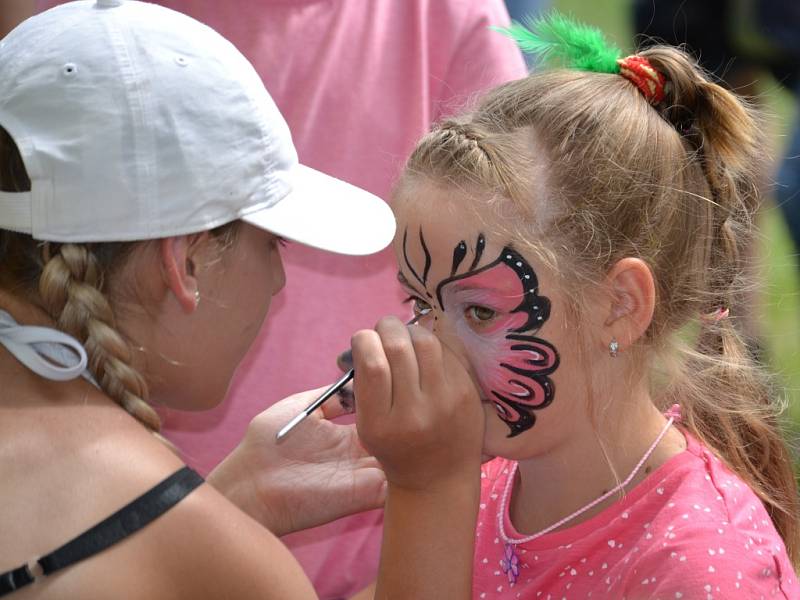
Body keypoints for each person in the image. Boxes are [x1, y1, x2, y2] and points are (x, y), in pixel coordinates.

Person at [28, 1, 528, 594]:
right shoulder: (238, 571)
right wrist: (431, 489)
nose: (280, 282)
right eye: (276, 245)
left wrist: (238, 495)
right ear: (185, 261)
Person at [388, 14, 800, 598]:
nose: (426, 346)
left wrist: (422, 492)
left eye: (479, 312)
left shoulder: (702, 570)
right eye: (419, 302)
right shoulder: (475, 481)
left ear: (621, 305)